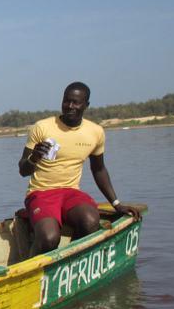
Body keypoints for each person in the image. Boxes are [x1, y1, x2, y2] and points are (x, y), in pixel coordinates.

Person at [17, 81, 142, 254]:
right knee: (49, 238)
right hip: (41, 193)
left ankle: (71, 258)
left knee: (90, 221)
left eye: (76, 102)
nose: (70, 106)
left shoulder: (95, 132)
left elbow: (99, 169)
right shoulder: (42, 127)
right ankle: (30, 267)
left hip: (71, 192)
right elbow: (23, 170)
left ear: (86, 105)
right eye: (66, 101)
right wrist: (34, 157)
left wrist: (116, 204)